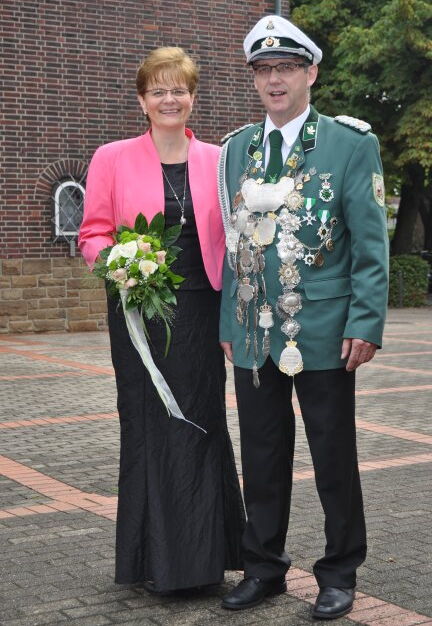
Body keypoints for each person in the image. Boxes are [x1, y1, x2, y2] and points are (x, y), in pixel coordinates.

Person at [218, 15, 389, 619]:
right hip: (253, 331)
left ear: (310, 73)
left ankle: (339, 572)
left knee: (332, 458)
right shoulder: (237, 149)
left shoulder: (349, 143)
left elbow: (370, 245)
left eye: (286, 68)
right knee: (262, 459)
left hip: (323, 332)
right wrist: (228, 324)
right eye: (264, 69)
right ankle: (263, 569)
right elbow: (234, 244)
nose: (275, 80)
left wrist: (365, 322)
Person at [79, 46, 245, 593]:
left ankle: (205, 559)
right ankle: (152, 562)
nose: (169, 99)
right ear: (142, 100)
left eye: (179, 89)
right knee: (148, 426)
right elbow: (93, 232)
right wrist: (119, 264)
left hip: (201, 311)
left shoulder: (219, 160)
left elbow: (236, 238)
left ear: (192, 96)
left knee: (201, 423)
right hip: (139, 313)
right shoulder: (112, 157)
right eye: (158, 90)